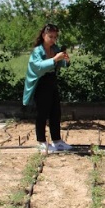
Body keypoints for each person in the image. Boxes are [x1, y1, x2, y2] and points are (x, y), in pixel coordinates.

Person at [22, 23, 72, 153]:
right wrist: (55, 59)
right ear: (44, 35)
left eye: (55, 37)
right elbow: (38, 67)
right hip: (41, 83)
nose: (53, 39)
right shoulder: (37, 51)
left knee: (56, 112)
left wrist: (65, 61)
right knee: (42, 113)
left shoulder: (55, 48)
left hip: (52, 81)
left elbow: (59, 63)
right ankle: (42, 142)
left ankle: (57, 141)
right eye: (51, 36)